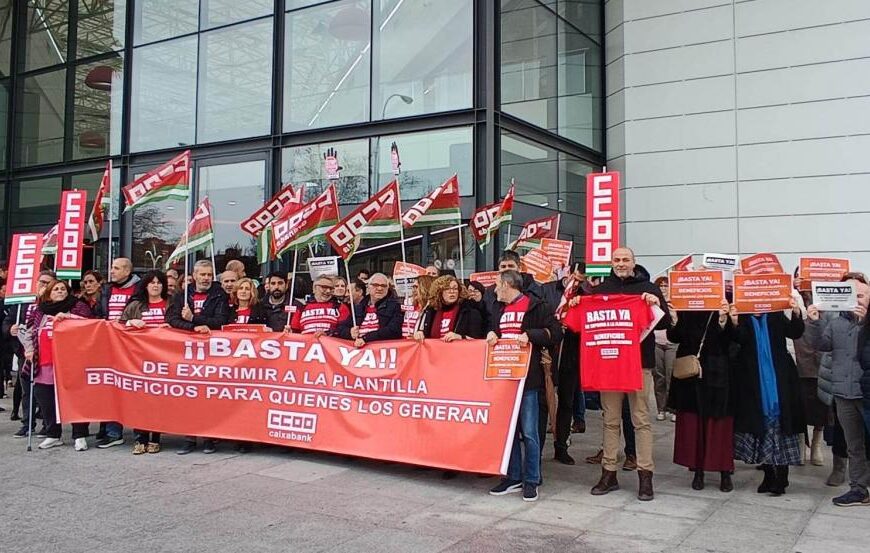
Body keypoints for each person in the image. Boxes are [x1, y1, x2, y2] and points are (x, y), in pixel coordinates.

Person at [583, 247, 670, 501]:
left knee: (641, 419)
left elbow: (665, 324)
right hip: (609, 365)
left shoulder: (649, 288)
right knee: (610, 420)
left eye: (625, 260)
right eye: (617, 260)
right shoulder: (600, 291)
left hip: (640, 363)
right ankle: (608, 472)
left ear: (634, 262)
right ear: (612, 263)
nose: (621, 263)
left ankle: (645, 475)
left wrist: (655, 305)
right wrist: (579, 300)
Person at [488, 270, 562, 502]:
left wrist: (530, 335)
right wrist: (490, 333)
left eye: (497, 285)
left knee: (530, 432)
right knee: (508, 431)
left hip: (528, 379)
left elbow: (557, 333)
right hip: (504, 377)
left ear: (508, 285)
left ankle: (531, 479)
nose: (495, 289)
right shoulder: (498, 309)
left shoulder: (536, 306)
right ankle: (513, 477)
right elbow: (493, 331)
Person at [731, 298, 805, 497]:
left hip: (778, 375)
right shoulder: (743, 314)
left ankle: (782, 474)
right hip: (753, 378)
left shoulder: (776, 313)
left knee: (780, 422)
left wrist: (796, 311)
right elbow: (737, 338)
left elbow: (795, 332)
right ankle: (769, 472)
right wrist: (733, 321)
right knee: (762, 423)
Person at [808, 279, 870, 506]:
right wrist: (814, 322)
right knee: (854, 444)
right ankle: (858, 489)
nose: (857, 301)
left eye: (861, 296)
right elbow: (821, 345)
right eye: (853, 296)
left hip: (866, 391)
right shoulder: (837, 321)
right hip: (843, 392)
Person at [666, 300, 735, 492]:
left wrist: (723, 320)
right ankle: (698, 471)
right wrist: (674, 319)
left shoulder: (725, 302)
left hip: (718, 370)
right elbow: (675, 336)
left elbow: (734, 338)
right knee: (693, 423)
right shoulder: (687, 303)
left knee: (719, 423)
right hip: (690, 372)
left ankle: (724, 470)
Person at [20, 280, 93, 450]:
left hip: (71, 362)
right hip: (45, 362)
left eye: (62, 289)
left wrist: (69, 317)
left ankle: (80, 435)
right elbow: (29, 331)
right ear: (49, 293)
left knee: (76, 398)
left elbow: (90, 325)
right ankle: (53, 434)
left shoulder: (78, 306)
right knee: (45, 398)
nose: (59, 291)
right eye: (55, 289)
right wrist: (28, 349)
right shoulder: (40, 311)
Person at [167, 260, 230, 455]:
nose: (206, 278)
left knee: (210, 397)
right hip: (187, 354)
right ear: (194, 276)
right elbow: (171, 319)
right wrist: (192, 327)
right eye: (202, 274)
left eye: (209, 274)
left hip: (211, 354)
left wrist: (195, 319)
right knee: (189, 397)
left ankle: (209, 438)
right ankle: (189, 438)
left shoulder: (219, 294)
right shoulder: (182, 296)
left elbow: (221, 321)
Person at [119, 271, 170, 455]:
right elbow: (119, 327)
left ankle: (155, 438)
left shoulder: (170, 304)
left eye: (159, 283)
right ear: (146, 286)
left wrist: (171, 327)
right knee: (140, 399)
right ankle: (140, 437)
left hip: (164, 361)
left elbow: (180, 325)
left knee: (158, 400)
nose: (155, 286)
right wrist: (131, 322)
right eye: (152, 283)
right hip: (138, 360)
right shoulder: (135, 305)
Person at [94, 257, 141, 448]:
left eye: (116, 268)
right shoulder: (107, 289)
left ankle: (140, 433)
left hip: (130, 346)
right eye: (112, 267)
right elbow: (100, 313)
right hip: (108, 344)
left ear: (127, 271)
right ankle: (112, 431)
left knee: (132, 387)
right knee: (110, 386)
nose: (111, 271)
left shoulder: (138, 289)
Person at [5, 271, 55, 437]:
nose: (43, 285)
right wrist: (9, 329)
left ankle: (48, 425)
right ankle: (27, 423)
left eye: (48, 283)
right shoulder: (22, 302)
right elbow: (8, 321)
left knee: (44, 390)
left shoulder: (53, 303)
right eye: (41, 281)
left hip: (46, 353)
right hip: (24, 352)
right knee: (27, 389)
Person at [551, 262, 591, 465]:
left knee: (567, 401)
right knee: (545, 401)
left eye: (581, 277)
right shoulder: (550, 288)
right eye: (575, 274)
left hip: (571, 352)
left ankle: (561, 447)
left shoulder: (586, 294)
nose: (577, 279)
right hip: (549, 350)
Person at [337, 273, 402, 346]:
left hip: (382, 350)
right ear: (368, 287)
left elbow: (393, 330)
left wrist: (365, 338)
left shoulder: (394, 306)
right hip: (361, 351)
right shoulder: (359, 307)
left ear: (387, 288)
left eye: (383, 286)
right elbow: (340, 328)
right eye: (375, 285)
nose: (380, 288)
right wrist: (350, 332)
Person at [414, 275, 484, 341]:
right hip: (435, 352)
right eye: (447, 289)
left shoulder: (469, 310)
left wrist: (460, 337)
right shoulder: (432, 310)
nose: (452, 292)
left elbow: (478, 340)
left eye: (455, 288)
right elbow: (427, 333)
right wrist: (421, 333)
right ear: (439, 292)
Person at [653, 276, 677, 422]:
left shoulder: (676, 302)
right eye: (660, 285)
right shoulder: (655, 302)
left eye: (666, 285)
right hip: (656, 342)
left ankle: (673, 408)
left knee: (671, 377)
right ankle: (661, 408)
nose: (663, 288)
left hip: (672, 344)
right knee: (659, 378)